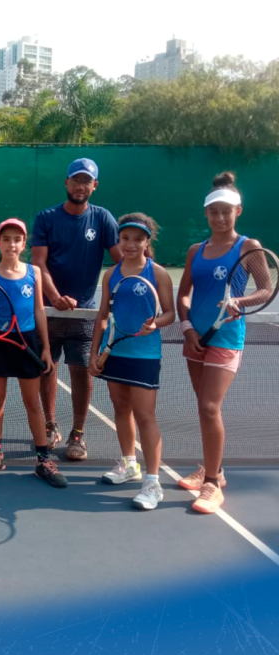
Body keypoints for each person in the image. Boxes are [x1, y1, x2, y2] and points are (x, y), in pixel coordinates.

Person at [176, 171, 262, 514]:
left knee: (210, 407)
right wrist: (187, 328)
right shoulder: (195, 251)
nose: (220, 218)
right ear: (206, 214)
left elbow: (266, 289)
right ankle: (214, 468)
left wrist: (240, 301)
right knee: (203, 406)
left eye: (227, 211)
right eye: (214, 212)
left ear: (237, 211)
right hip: (195, 338)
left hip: (226, 336)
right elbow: (183, 294)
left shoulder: (248, 247)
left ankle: (212, 482)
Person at [31, 158, 121, 461]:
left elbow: (123, 260)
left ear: (94, 186)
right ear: (66, 183)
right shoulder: (46, 218)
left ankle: (78, 434)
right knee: (47, 368)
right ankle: (50, 425)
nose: (80, 186)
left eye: (87, 181)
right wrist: (55, 297)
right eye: (76, 180)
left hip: (85, 315)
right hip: (49, 312)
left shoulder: (103, 218)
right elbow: (38, 264)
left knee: (82, 372)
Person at [88, 213, 175, 510]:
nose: (131, 244)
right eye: (125, 238)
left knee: (145, 416)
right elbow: (102, 316)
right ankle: (129, 464)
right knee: (121, 409)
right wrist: (94, 353)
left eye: (138, 239)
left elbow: (170, 313)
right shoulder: (110, 275)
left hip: (144, 355)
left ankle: (153, 482)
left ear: (147, 242)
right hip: (115, 352)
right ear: (119, 240)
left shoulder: (158, 273)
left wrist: (156, 323)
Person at [0, 218, 66, 487]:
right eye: (6, 239)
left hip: (28, 342)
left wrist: (46, 348)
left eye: (17, 239)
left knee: (32, 403)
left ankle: (43, 460)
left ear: (24, 244)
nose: (11, 244)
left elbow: (39, 311)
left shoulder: (34, 272)